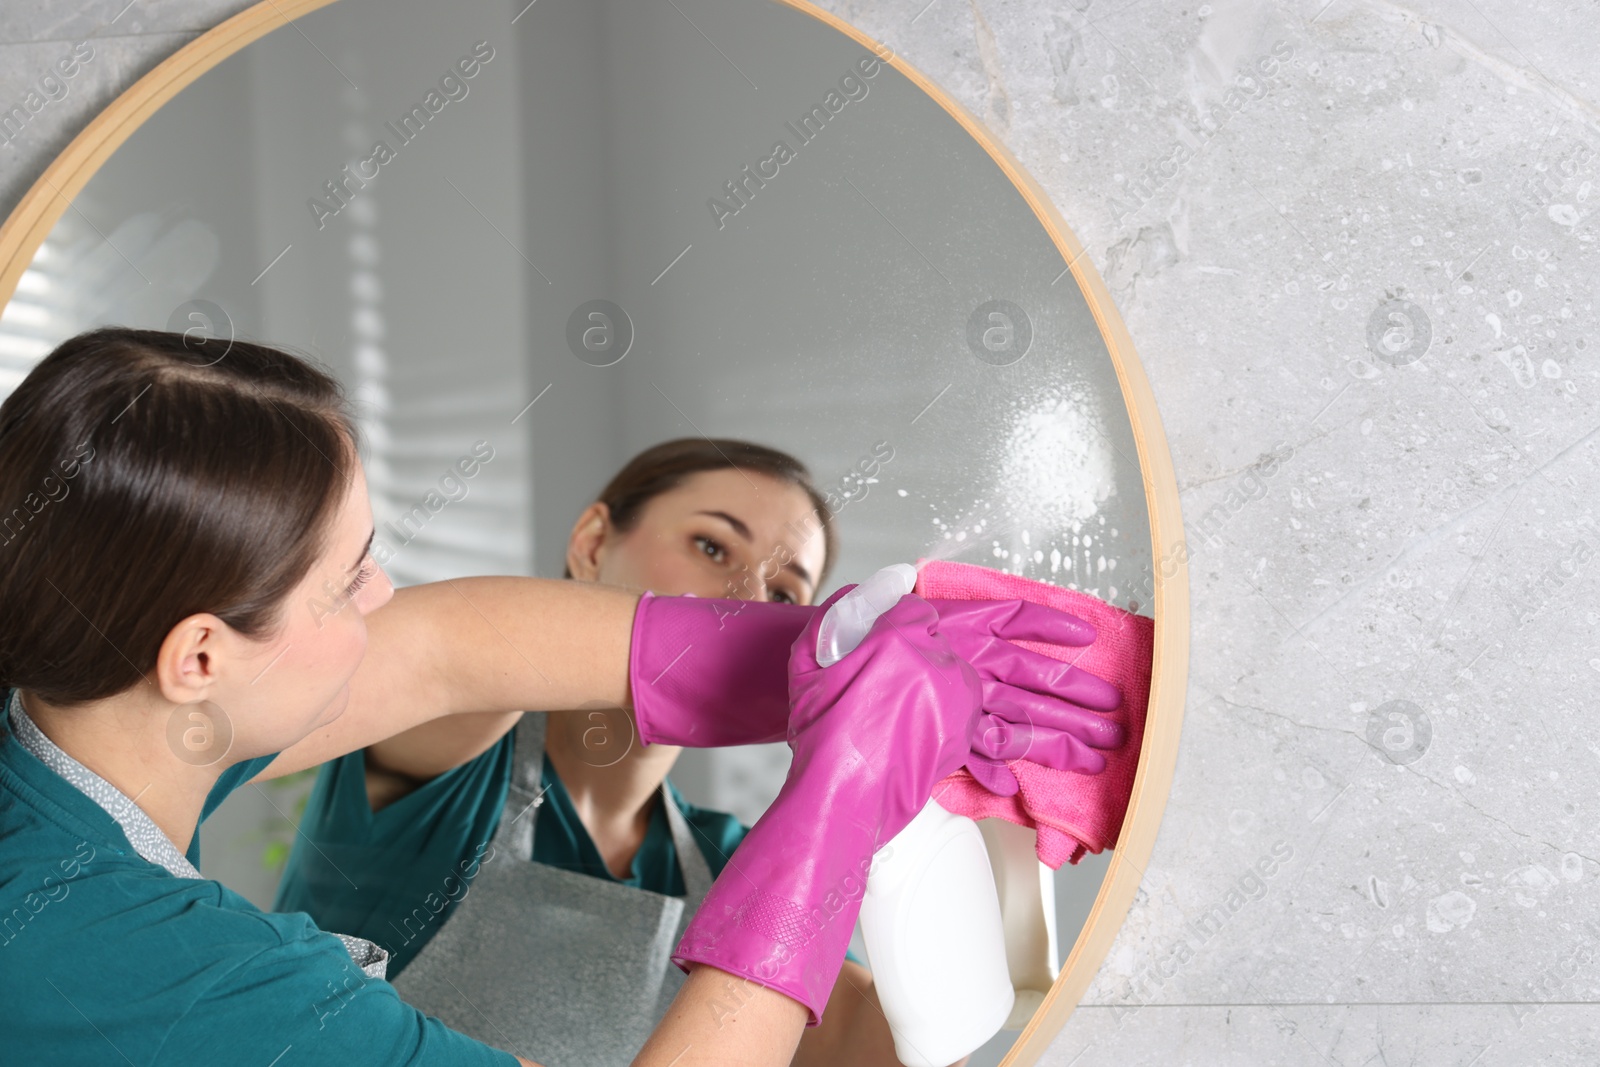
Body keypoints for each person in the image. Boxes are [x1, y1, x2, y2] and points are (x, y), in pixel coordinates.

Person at [0, 327, 1127, 1066]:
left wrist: (825, 654)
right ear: (199, 655)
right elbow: (446, 664)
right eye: (346, 582)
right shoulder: (169, 967)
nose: (382, 595)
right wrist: (836, 806)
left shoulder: (85, 733)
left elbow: (443, 645)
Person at [276, 438, 947, 1065]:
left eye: (783, 596)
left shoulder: (735, 862)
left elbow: (907, 1045)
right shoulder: (449, 757)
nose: (747, 600)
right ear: (593, 542)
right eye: (713, 547)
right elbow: (457, 656)